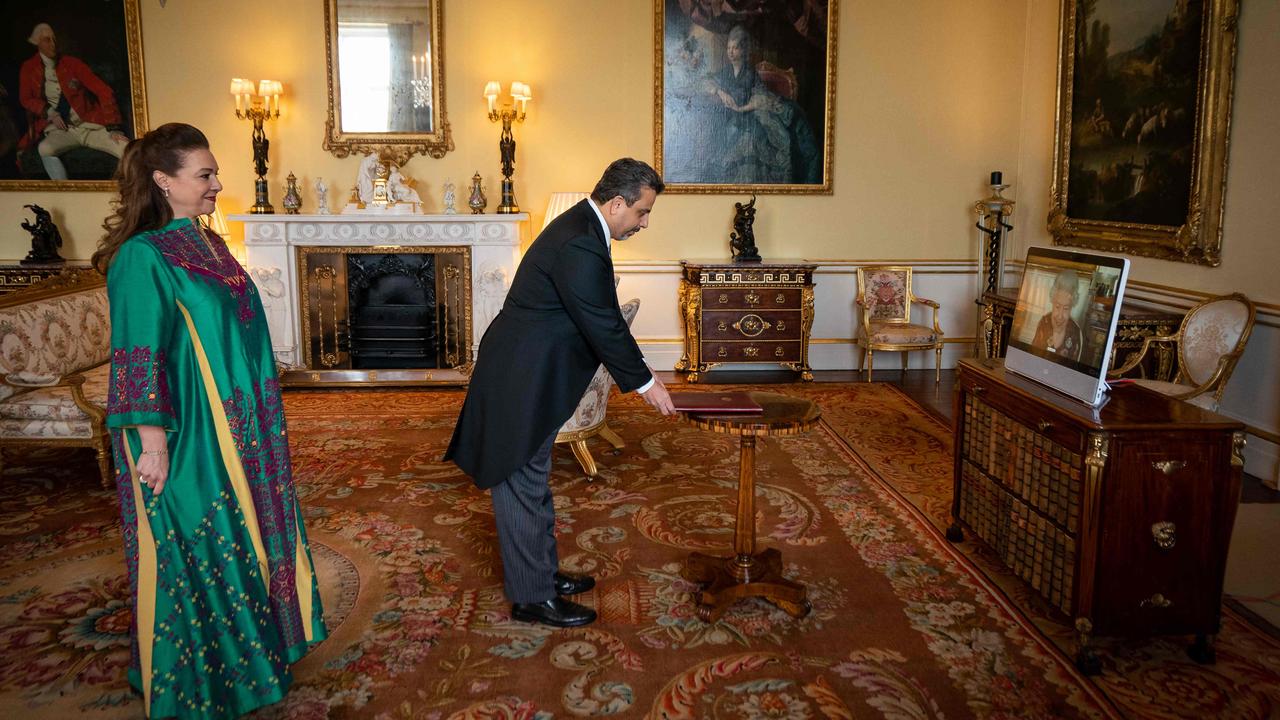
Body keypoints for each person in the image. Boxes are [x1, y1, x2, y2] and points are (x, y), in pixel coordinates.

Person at [92, 123, 326, 718]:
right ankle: (205, 681)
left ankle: (260, 654)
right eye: (206, 175)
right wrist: (153, 445)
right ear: (163, 181)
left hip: (244, 427)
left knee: (247, 533)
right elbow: (137, 352)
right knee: (201, 546)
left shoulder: (206, 240)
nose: (219, 184)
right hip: (187, 433)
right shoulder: (141, 257)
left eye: (215, 172)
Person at [445, 158, 677, 628]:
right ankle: (532, 596)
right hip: (520, 377)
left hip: (530, 370)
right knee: (522, 481)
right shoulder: (579, 241)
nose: (644, 223)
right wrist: (646, 382)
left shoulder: (583, 230)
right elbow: (603, 323)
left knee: (533, 478)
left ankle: (542, 575)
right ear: (617, 204)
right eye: (642, 213)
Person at [701, 25, 820, 184]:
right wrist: (720, 92)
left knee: (755, 137)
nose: (731, 51)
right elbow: (707, 81)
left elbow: (760, 95)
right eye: (729, 47)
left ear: (743, 51)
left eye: (735, 48)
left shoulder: (750, 73)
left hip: (749, 114)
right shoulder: (725, 72)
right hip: (729, 116)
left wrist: (741, 108)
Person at [18, 23, 129, 180]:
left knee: (127, 150)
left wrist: (114, 127)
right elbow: (26, 99)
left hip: (90, 126)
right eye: (47, 40)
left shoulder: (72, 63)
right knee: (45, 148)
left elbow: (104, 91)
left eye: (54, 39)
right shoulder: (29, 67)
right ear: (37, 43)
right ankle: (65, 192)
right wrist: (49, 111)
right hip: (62, 130)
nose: (53, 44)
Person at [1031, 269, 1084, 361]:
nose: (1060, 316)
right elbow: (1032, 356)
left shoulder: (1075, 332)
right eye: (1057, 306)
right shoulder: (1044, 322)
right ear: (1052, 302)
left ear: (1072, 306)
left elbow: (1072, 369)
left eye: (1066, 308)